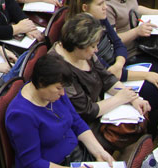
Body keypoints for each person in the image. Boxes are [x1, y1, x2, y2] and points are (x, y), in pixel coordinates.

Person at [67, 0, 158, 133]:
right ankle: (153, 131)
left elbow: (118, 43)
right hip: (105, 80)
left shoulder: (101, 17)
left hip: (118, 67)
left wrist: (119, 62)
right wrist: (145, 75)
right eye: (100, 4)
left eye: (105, 1)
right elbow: (105, 72)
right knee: (152, 89)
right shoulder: (81, 37)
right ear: (85, 7)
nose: (105, 7)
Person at [46, 13, 150, 152]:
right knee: (130, 130)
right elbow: (87, 111)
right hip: (83, 124)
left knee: (141, 115)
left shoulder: (84, 53)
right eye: (93, 46)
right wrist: (120, 98)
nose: (96, 50)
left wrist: (133, 98)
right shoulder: (59, 69)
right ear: (79, 46)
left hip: (100, 106)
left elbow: (107, 78)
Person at [5, 56, 114, 168]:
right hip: (54, 167)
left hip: (76, 153)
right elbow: (33, 163)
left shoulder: (52, 93)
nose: (62, 93)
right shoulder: (21, 115)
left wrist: (99, 151)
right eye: (58, 88)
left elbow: (76, 121)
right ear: (41, 83)